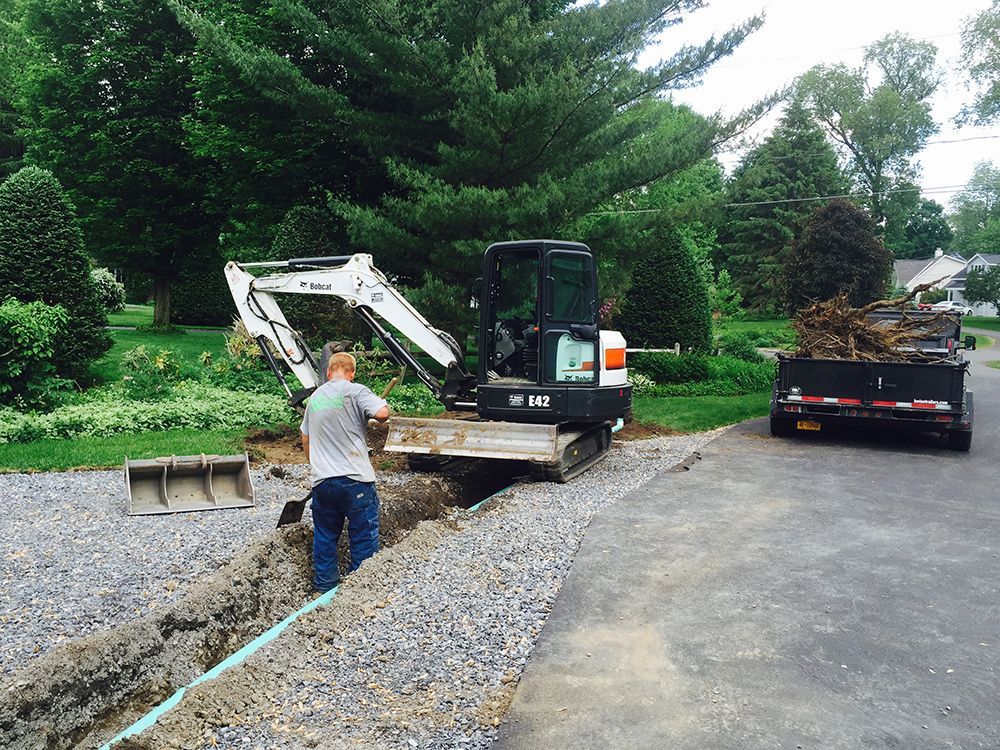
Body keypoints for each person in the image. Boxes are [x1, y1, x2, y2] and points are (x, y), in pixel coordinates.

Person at [300, 352, 390, 592]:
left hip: (322, 482)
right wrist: (378, 406)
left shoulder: (315, 398)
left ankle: (325, 587)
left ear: (329, 373)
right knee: (363, 534)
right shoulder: (355, 390)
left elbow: (305, 438)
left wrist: (316, 465)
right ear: (352, 373)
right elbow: (382, 414)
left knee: (325, 536)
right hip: (355, 479)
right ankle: (359, 590)